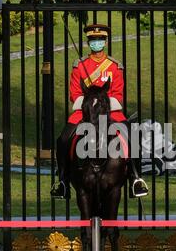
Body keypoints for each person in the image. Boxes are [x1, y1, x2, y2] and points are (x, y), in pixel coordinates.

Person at [51, 24, 149, 199]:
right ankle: (63, 181)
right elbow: (74, 93)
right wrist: (89, 104)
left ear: (105, 41)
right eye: (93, 40)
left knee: (132, 137)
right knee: (63, 138)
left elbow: (118, 94)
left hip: (110, 111)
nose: (96, 43)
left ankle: (135, 178)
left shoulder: (114, 66)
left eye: (99, 40)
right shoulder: (79, 66)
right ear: (89, 42)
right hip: (85, 111)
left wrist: (104, 105)